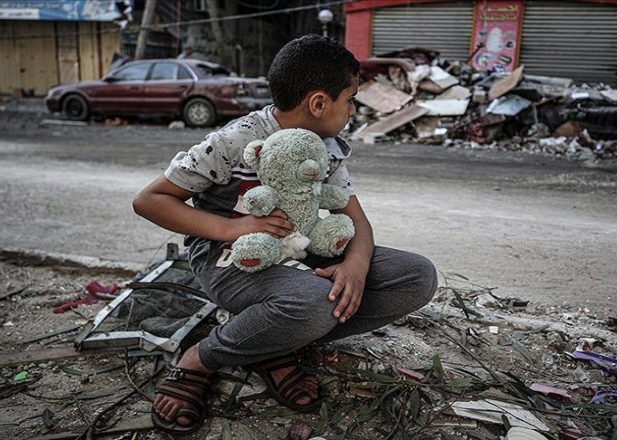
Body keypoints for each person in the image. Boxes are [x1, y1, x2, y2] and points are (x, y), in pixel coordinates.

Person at [133, 34, 437, 435]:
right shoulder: (234, 141)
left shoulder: (326, 147)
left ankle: (272, 341)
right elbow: (150, 200)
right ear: (318, 103)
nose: (352, 111)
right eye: (350, 100)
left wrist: (356, 266)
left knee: (417, 276)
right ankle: (202, 358)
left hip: (300, 247)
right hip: (231, 257)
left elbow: (357, 221)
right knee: (315, 301)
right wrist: (233, 227)